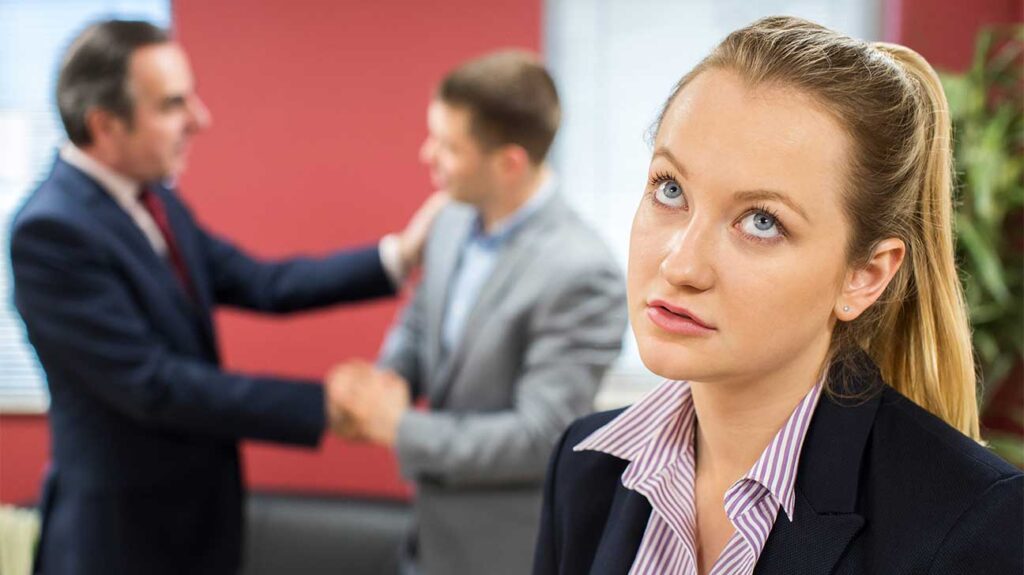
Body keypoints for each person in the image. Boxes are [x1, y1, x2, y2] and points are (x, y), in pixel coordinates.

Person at [533, 16, 1023, 575]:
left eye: (762, 221)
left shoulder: (974, 523)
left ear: (863, 276)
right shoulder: (584, 467)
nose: (680, 264)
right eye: (670, 189)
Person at [9, 20, 445, 575]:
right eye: (172, 105)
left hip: (196, 522)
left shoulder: (153, 201)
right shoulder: (50, 231)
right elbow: (153, 386)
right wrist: (326, 406)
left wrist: (400, 255)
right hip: (119, 539)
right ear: (105, 124)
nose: (199, 119)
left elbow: (264, 283)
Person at [327, 51, 628, 575]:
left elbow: (539, 437)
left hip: (501, 553)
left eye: (448, 146)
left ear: (509, 162)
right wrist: (390, 377)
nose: (427, 155)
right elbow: (421, 322)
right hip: (426, 540)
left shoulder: (583, 272)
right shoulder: (448, 219)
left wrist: (399, 429)